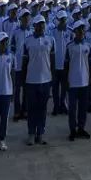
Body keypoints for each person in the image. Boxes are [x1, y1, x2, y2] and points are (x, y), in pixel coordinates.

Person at [22, 15, 53, 146]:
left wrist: (53, 77)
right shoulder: (27, 41)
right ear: (34, 26)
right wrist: (24, 79)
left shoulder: (50, 39)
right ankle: (30, 133)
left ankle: (40, 133)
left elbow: (52, 59)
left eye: (43, 24)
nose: (41, 26)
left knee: (42, 109)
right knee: (32, 108)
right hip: (31, 80)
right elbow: (24, 61)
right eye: (39, 24)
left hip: (46, 79)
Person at [64, 21, 91, 140]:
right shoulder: (69, 46)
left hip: (85, 81)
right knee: (72, 108)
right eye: (79, 30)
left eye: (82, 29)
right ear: (74, 32)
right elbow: (66, 65)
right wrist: (66, 80)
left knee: (83, 108)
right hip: (73, 82)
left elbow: (90, 62)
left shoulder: (88, 46)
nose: (81, 32)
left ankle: (81, 128)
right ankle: (72, 130)